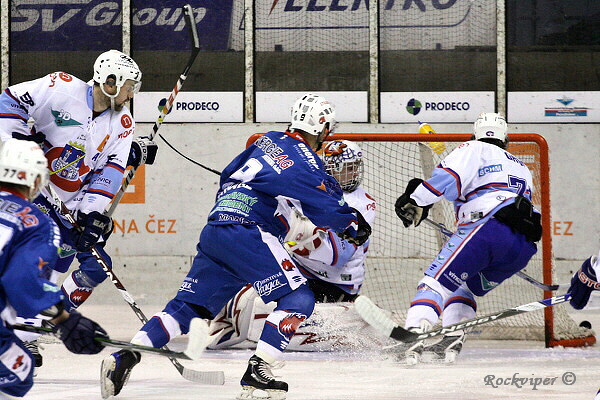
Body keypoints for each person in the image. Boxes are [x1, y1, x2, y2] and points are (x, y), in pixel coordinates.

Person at [99, 94, 371, 400]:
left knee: (187, 307)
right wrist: (353, 224)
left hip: (217, 227)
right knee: (298, 299)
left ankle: (126, 355)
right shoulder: (305, 158)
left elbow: (229, 177)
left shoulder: (266, 140)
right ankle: (258, 371)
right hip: (249, 230)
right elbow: (326, 204)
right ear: (321, 127)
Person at [0, 49, 156, 366]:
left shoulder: (123, 123)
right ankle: (22, 335)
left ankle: (33, 330)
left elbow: (111, 170)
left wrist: (91, 214)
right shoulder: (60, 87)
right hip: (29, 190)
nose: (131, 94)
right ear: (110, 82)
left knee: (80, 266)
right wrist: (14, 138)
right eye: (128, 87)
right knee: (31, 263)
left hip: (68, 204)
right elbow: (10, 100)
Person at [394, 112, 542, 365]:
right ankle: (453, 336)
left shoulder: (473, 148)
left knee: (434, 284)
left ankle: (413, 334)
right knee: (463, 285)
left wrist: (417, 199)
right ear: (506, 141)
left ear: (475, 135)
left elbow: (449, 179)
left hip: (487, 228)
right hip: (522, 247)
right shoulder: (521, 166)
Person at [206, 139, 378, 351]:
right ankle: (213, 320)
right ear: (331, 168)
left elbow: (338, 256)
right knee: (238, 279)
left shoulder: (362, 203)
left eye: (355, 167)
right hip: (301, 273)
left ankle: (253, 332)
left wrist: (302, 232)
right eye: (347, 168)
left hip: (334, 284)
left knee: (264, 306)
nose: (354, 173)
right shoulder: (315, 188)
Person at [0, 138, 107, 398]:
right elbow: (23, 281)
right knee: (20, 372)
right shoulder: (35, 222)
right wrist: (64, 320)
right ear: (36, 180)